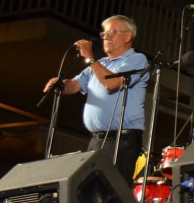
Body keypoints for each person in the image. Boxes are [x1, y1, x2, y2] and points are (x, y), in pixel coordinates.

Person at [43, 15, 149, 186]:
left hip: (121, 139)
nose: (105, 37)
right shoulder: (100, 64)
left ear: (127, 36)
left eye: (112, 33)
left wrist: (90, 58)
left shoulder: (136, 59)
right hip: (96, 139)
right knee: (92, 190)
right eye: (104, 34)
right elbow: (75, 85)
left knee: (114, 189)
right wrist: (61, 83)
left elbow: (112, 83)